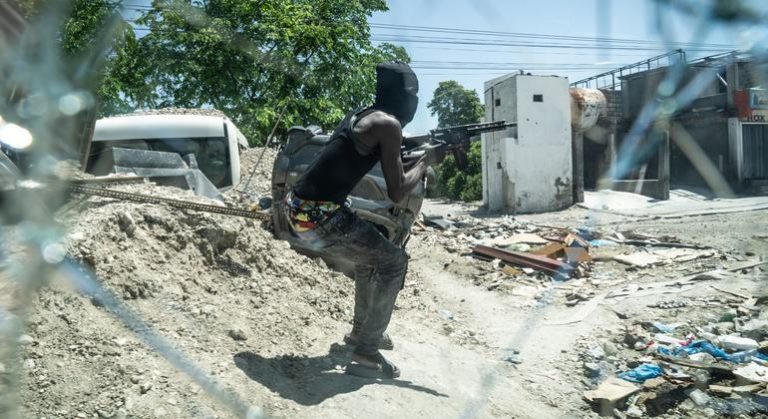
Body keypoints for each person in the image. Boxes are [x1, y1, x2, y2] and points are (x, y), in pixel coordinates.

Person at [285, 61, 427, 379]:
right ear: (405, 95)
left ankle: (361, 333)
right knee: (395, 263)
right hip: (319, 215)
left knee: (370, 258)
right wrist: (427, 163)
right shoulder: (389, 124)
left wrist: (416, 155)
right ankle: (365, 353)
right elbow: (397, 189)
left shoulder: (363, 114)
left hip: (299, 206)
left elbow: (392, 160)